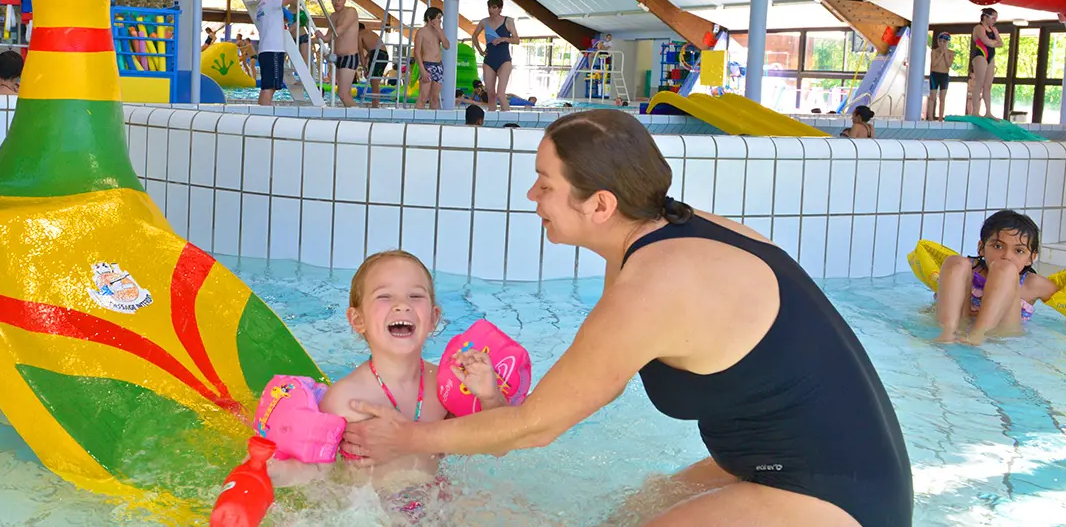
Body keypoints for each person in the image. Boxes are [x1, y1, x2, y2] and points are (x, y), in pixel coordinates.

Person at [342, 110, 913, 527]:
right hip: (796, 468)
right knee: (640, 504)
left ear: (600, 204)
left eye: (547, 183)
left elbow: (538, 426)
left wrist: (410, 436)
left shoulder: (656, 283)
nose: (531, 195)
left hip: (836, 499)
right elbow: (579, 388)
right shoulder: (668, 233)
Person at [270, 250, 504, 516]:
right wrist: (280, 472)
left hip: (436, 504)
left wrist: (489, 396)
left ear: (434, 318)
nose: (402, 305)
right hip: (372, 512)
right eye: (384, 296)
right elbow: (319, 469)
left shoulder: (445, 386)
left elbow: (495, 445)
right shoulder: (345, 398)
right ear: (358, 320)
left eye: (415, 296)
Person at [933, 211, 1066, 345]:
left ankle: (978, 334)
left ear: (1031, 258)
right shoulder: (967, 270)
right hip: (961, 324)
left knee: (1005, 269)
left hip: (1002, 333)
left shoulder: (1033, 284)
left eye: (1019, 250)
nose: (1006, 256)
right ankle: (947, 332)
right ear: (981, 248)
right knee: (955, 261)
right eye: (998, 246)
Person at [256, 0, 318, 106]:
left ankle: (260, 114)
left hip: (265, 50)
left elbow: (272, 25)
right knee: (269, 88)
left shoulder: (262, 4)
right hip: (273, 50)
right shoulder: (273, 1)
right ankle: (263, 118)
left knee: (267, 87)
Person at [471, 0, 518, 111]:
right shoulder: (484, 22)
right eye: (489, 7)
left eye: (494, 7)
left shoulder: (508, 21)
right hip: (489, 60)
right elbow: (474, 36)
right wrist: (480, 51)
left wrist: (503, 39)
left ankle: (508, 121)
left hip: (504, 60)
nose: (491, 10)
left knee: (501, 94)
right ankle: (492, 123)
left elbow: (516, 40)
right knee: (491, 95)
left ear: (500, 9)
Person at [320, 0, 360, 108]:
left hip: (350, 57)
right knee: (345, 94)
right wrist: (314, 39)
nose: (336, 2)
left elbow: (341, 30)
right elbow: (328, 35)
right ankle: (353, 119)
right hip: (338, 58)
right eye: (333, 0)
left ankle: (359, 119)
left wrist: (326, 38)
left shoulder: (351, 12)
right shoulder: (332, 16)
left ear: (345, 0)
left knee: (342, 94)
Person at [966, 8, 1002, 118]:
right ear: (985, 17)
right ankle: (975, 111)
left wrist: (993, 43)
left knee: (988, 86)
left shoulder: (994, 29)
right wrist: (994, 42)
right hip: (980, 56)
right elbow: (987, 42)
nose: (995, 20)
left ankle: (988, 112)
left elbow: (1001, 44)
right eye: (993, 18)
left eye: (996, 18)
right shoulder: (978, 28)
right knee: (979, 84)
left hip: (991, 57)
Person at [359, 22, 391, 108]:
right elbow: (372, 49)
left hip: (376, 55)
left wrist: (364, 69)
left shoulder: (359, 35)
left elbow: (361, 54)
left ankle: (375, 107)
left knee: (374, 82)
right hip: (384, 55)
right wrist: (366, 60)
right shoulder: (371, 32)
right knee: (375, 81)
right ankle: (375, 105)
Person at [928, 32, 953, 121]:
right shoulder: (934, 52)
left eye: (944, 42)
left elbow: (949, 64)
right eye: (940, 41)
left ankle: (940, 118)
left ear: (948, 42)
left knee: (942, 98)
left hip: (944, 76)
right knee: (932, 97)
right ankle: (930, 117)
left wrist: (945, 53)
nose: (942, 43)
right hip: (934, 75)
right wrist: (941, 54)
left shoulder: (951, 53)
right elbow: (933, 64)